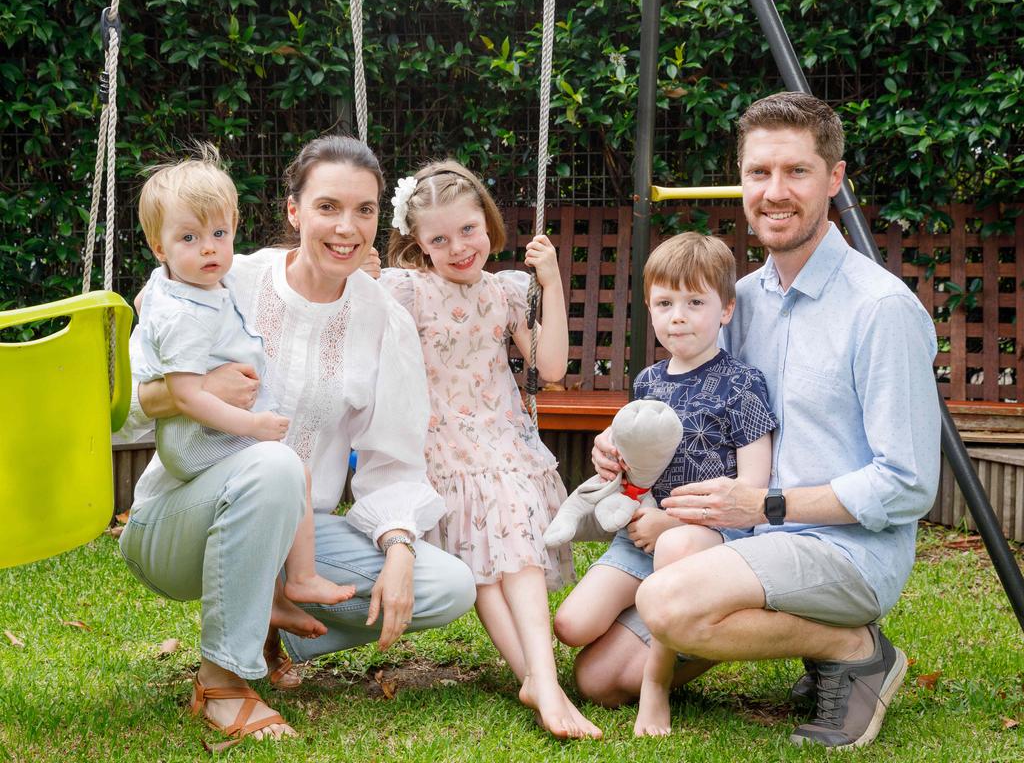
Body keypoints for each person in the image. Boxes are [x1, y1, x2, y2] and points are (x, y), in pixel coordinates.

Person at [587, 92, 941, 749]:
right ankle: (797, 633)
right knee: (602, 676)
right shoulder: (739, 301)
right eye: (758, 173)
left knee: (665, 604)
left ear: (834, 179)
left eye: (796, 172)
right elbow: (689, 405)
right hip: (745, 541)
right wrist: (622, 445)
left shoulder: (879, 310)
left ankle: (852, 645)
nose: (774, 192)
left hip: (845, 552)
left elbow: (910, 484)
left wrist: (765, 503)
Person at [116, 136, 477, 744]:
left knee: (446, 587)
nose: (347, 228)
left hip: (300, 541)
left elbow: (393, 460)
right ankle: (222, 683)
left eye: (364, 211)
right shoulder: (224, 277)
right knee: (276, 463)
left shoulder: (382, 317)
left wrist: (399, 549)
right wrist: (196, 387)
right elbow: (125, 408)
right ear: (294, 212)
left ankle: (264, 619)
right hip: (179, 527)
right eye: (328, 207)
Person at [378, 161, 601, 740]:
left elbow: (550, 369)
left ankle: (535, 678)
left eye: (469, 230)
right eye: (439, 239)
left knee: (505, 547)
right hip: (439, 445)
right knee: (485, 558)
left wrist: (550, 282)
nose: (458, 248)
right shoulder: (404, 290)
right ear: (418, 244)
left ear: (489, 223)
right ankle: (541, 681)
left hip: (503, 438)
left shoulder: (504, 290)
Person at [550, 232, 776, 737]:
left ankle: (655, 686)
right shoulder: (650, 381)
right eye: (666, 302)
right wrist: (607, 448)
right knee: (572, 626)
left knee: (673, 546)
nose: (679, 315)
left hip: (709, 538)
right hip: (643, 533)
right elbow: (636, 445)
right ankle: (649, 610)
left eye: (696, 302)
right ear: (651, 309)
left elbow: (753, 490)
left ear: (725, 310)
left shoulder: (743, 383)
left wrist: (671, 521)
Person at [134, 145, 355, 610]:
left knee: (297, 472)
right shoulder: (184, 312)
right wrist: (253, 427)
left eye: (219, 232)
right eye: (189, 239)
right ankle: (296, 581)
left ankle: (293, 581)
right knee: (285, 465)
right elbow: (187, 396)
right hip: (199, 440)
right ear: (160, 249)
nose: (210, 248)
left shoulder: (199, 282)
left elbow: (273, 262)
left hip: (209, 434)